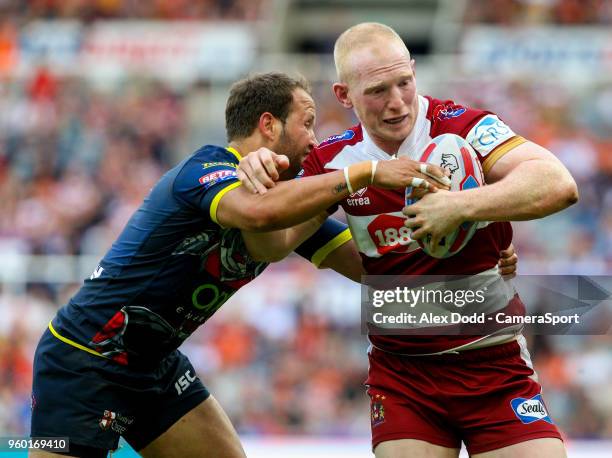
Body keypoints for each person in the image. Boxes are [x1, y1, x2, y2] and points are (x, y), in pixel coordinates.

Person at [29, 71, 464, 458]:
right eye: (307, 123)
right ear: (269, 125)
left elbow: (376, 271)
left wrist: (476, 242)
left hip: (154, 366)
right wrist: (358, 174)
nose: (316, 140)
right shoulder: (207, 168)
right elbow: (257, 214)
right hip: (84, 358)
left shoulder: (288, 202)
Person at [237, 23, 578, 458]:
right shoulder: (335, 161)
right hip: (403, 376)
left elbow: (558, 183)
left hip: (494, 365)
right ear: (344, 96)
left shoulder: (463, 126)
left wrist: (462, 206)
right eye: (378, 90)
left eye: (405, 83)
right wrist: (254, 182)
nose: (397, 102)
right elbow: (272, 245)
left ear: (415, 71)